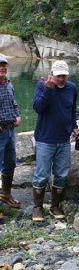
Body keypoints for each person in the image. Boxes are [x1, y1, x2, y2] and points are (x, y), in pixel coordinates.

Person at [32, 60, 78, 222]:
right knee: (42, 175)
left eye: (64, 76)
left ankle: (54, 206)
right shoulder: (43, 86)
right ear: (52, 75)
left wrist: (74, 127)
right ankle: (37, 207)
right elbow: (37, 108)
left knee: (62, 174)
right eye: (58, 76)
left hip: (64, 139)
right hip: (45, 138)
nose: (61, 79)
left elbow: (72, 111)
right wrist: (48, 90)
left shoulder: (72, 88)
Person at [0, 54, 22, 220]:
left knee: (10, 162)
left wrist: (18, 114)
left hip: (10, 130)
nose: (2, 67)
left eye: (4, 65)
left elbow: (13, 101)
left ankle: (5, 194)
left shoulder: (7, 82)